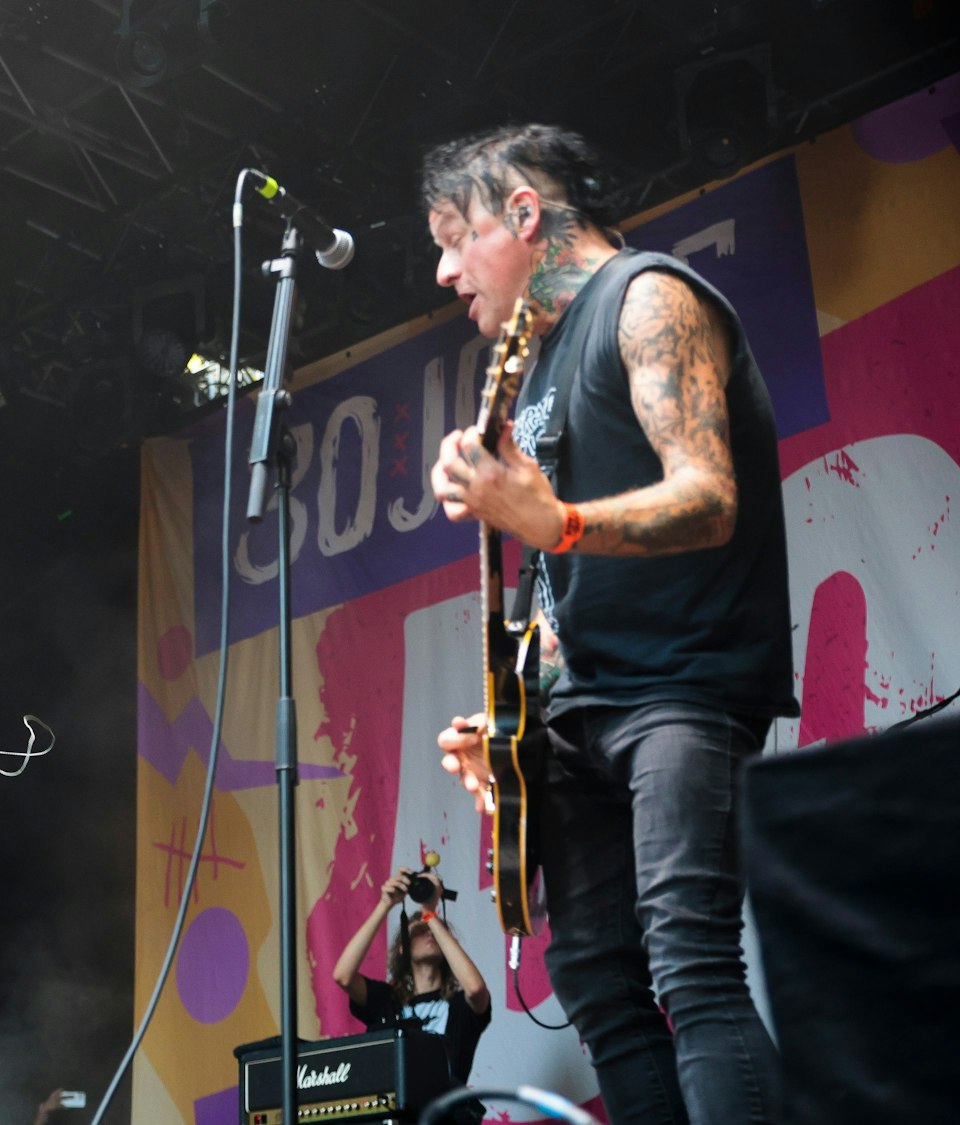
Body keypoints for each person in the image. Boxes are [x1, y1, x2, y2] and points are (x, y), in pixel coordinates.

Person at [424, 123, 794, 1124]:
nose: (443, 268)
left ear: (523, 213)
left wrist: (557, 518)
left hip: (682, 682)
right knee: (595, 985)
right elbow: (562, 589)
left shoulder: (647, 297)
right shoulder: (531, 369)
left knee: (687, 962)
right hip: (576, 710)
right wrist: (503, 719)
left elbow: (707, 497)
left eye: (455, 237)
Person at [329, 870, 489, 1119]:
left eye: (434, 931)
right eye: (419, 930)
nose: (428, 932)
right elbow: (343, 975)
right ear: (403, 946)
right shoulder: (388, 1001)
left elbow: (476, 989)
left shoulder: (458, 1006)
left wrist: (430, 913)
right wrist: (385, 904)